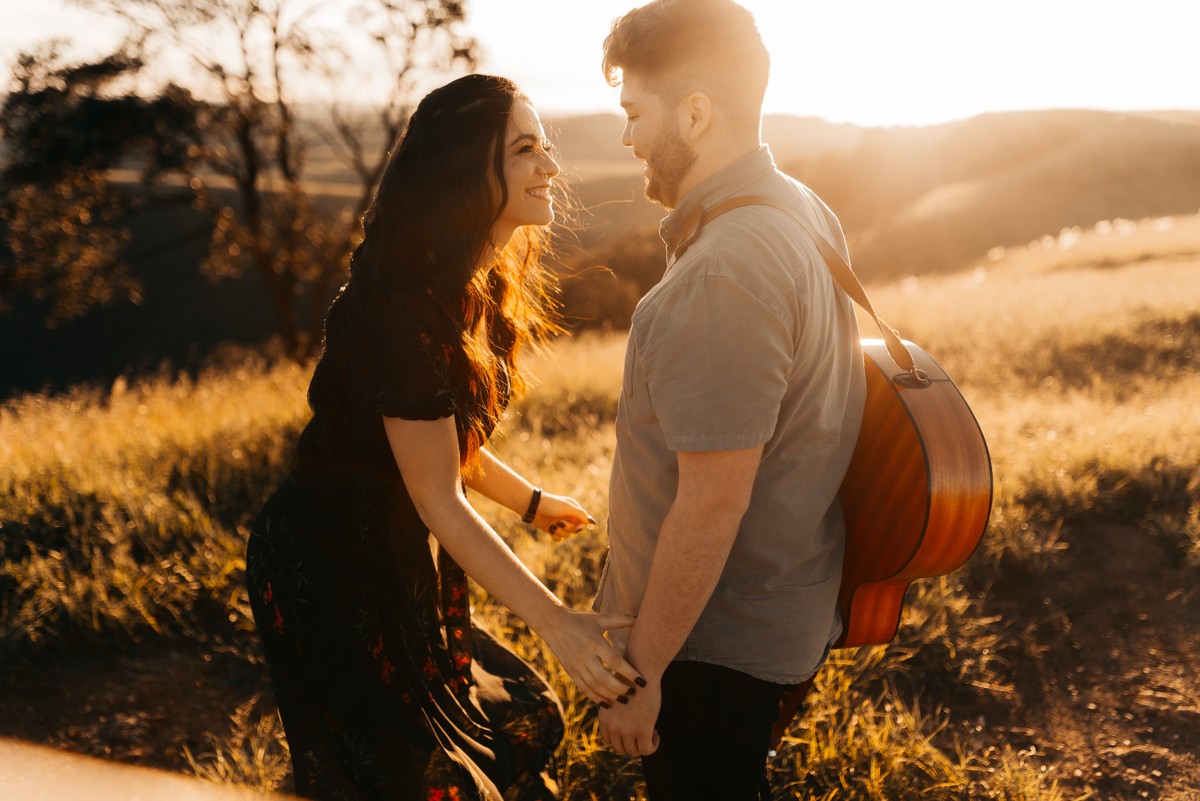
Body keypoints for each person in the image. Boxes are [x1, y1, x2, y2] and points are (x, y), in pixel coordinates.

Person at [245, 74, 643, 801]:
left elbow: (440, 440)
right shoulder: (405, 307)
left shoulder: (473, 282)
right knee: (403, 776)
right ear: (466, 170)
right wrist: (557, 623)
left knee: (495, 732)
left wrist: (531, 500)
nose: (551, 167)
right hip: (327, 562)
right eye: (525, 150)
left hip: (390, 550)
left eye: (546, 147)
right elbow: (439, 495)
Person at [591, 1, 868, 798]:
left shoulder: (724, 269)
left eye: (635, 112)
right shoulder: (801, 210)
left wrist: (640, 673)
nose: (627, 137)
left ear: (697, 112)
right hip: (769, 616)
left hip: (709, 651)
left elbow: (712, 503)